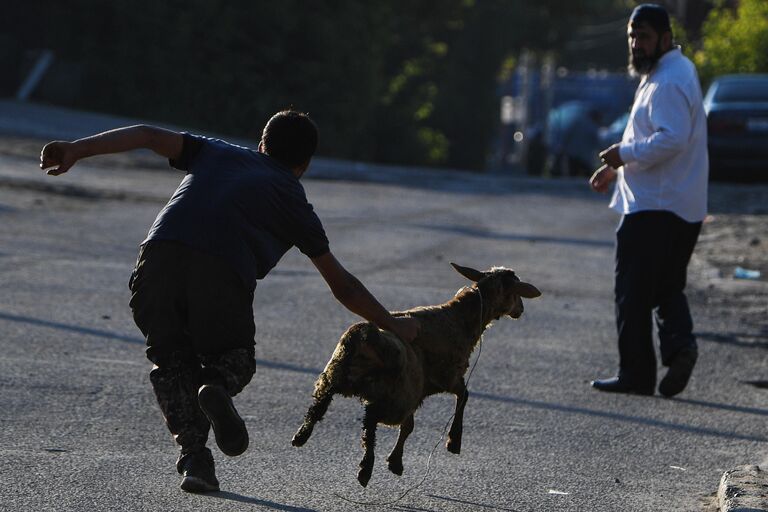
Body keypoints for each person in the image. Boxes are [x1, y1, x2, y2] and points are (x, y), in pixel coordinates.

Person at [39, 110, 420, 493]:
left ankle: (195, 460)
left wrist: (76, 149)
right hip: (220, 271)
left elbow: (146, 134)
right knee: (234, 359)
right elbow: (344, 287)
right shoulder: (293, 200)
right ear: (304, 165)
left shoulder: (218, 152)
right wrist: (394, 324)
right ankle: (217, 386)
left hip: (157, 259)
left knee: (171, 362)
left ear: (261, 145)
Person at [588, 4, 707, 397]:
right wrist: (618, 169)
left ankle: (636, 375)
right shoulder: (669, 72)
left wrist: (623, 154)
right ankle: (681, 348)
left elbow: (671, 138)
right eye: (632, 36)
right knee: (665, 286)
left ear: (666, 39)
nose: (637, 44)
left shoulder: (669, 80)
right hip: (678, 203)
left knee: (633, 292)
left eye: (645, 37)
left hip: (655, 206)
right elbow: (659, 136)